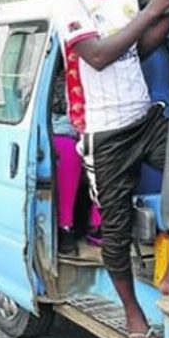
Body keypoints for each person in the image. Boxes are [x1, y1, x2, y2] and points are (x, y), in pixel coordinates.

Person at [53, 0, 169, 338]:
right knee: (116, 228)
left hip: (142, 119)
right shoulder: (68, 2)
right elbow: (100, 56)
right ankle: (132, 312)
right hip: (103, 135)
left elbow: (133, 51)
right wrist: (151, 11)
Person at [51, 65, 102, 256]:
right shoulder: (61, 64)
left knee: (111, 148)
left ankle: (97, 223)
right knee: (69, 149)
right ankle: (65, 226)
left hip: (100, 121)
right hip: (63, 123)